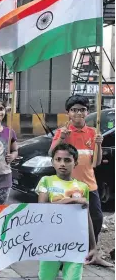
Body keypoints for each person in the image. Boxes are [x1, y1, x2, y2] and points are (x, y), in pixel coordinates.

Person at [48, 95, 111, 267]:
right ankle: (63, 257)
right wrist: (62, 139)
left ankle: (91, 252)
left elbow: (96, 163)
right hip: (67, 187)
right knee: (67, 223)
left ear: (87, 112)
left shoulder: (93, 133)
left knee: (96, 218)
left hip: (89, 185)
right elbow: (51, 155)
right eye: (74, 110)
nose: (78, 113)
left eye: (82, 110)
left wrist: (99, 144)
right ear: (68, 113)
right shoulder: (63, 132)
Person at [37, 143, 98, 279]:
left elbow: (86, 216)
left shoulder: (82, 187)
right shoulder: (46, 181)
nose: (62, 164)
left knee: (73, 277)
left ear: (75, 162)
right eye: (58, 159)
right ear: (52, 162)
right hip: (50, 242)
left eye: (67, 160)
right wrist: (71, 200)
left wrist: (93, 246)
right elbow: (42, 207)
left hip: (75, 243)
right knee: (46, 277)